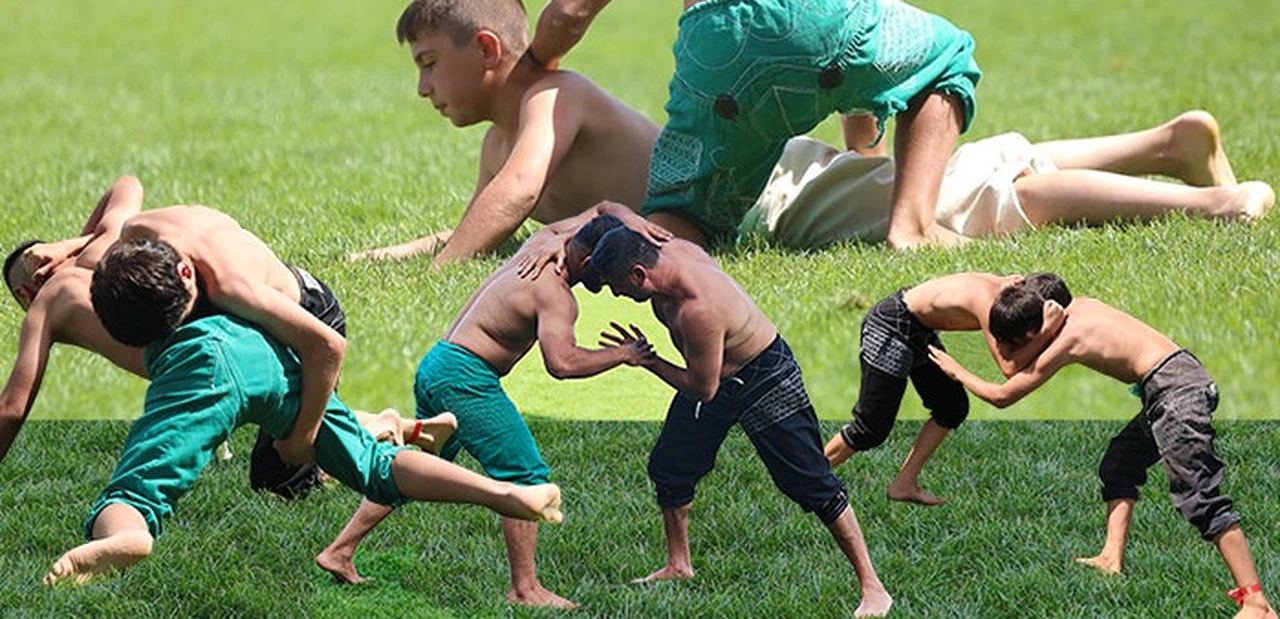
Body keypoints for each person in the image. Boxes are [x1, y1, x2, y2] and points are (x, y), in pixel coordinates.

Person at [42, 306, 562, 584]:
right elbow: (125, 188)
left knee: (141, 490)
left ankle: (125, 531)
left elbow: (13, 403)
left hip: (201, 363)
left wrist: (305, 440)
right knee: (376, 469)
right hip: (261, 347)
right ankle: (499, 491)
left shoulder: (52, 298)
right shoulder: (174, 244)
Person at [1, 180, 456, 485]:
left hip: (302, 313)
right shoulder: (117, 245)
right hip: (259, 316)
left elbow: (326, 343)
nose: (51, 267)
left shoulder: (219, 284)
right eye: (41, 267)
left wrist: (303, 437)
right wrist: (71, 245)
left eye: (46, 255)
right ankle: (389, 426)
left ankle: (384, 429)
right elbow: (127, 186)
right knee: (274, 417)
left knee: (283, 470)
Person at [318, 206, 661, 607]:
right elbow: (562, 364)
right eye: (603, 274)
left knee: (417, 468)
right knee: (524, 474)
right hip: (465, 377)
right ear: (587, 260)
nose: (605, 284)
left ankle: (339, 550)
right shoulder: (555, 293)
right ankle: (525, 590)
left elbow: (596, 210)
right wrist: (624, 354)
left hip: (439, 362)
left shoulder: (540, 244)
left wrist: (634, 223)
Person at [928, 273, 1275, 619]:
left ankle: (1256, 603)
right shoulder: (1085, 306)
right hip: (1175, 382)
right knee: (1119, 464)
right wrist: (1045, 329)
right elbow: (1027, 356)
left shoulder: (1071, 336)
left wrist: (958, 370)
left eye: (1015, 341)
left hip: (1176, 393)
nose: (1008, 350)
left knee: (1199, 497)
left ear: (1040, 324)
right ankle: (1110, 558)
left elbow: (1004, 393)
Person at [589, 227, 892, 618]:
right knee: (670, 465)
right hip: (713, 370)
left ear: (637, 275)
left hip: (763, 378)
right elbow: (611, 215)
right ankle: (679, 565)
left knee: (810, 482)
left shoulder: (697, 309)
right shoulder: (666, 251)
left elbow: (702, 390)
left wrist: (647, 360)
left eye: (617, 287)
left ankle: (874, 587)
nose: (616, 296)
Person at [528, 0, 982, 251]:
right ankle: (911, 226)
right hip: (823, 20)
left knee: (681, 214)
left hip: (719, 48)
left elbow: (570, 12)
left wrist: (534, 68)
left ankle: (641, 259)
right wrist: (866, 158)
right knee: (948, 57)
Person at [346, 0, 658, 266]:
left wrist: (440, 269)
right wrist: (384, 255)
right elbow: (477, 229)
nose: (422, 88)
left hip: (693, 216)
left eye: (429, 63)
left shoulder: (556, 95)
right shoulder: (496, 145)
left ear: (486, 48)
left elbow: (520, 188)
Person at [742, 111, 1274, 247]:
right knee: (978, 167)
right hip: (794, 168)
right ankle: (1168, 144)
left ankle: (1216, 204)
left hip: (785, 198)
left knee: (991, 199)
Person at [822, 273, 1061, 505]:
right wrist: (1046, 332)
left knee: (951, 407)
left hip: (919, 330)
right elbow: (1009, 368)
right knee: (870, 428)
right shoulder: (989, 303)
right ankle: (808, 476)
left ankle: (903, 485)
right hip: (891, 325)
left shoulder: (1011, 291)